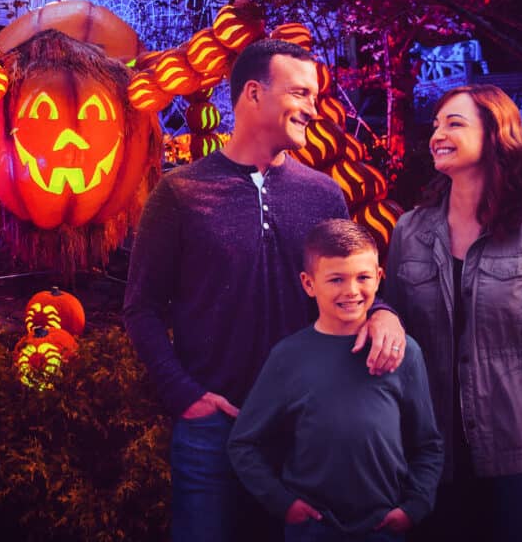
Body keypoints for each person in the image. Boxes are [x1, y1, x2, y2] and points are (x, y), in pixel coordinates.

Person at [123, 38, 407, 542]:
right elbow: (141, 308)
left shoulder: (323, 193)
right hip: (214, 430)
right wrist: (184, 394)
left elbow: (347, 286)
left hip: (307, 430)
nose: (313, 109)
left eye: (315, 97)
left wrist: (382, 311)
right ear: (253, 93)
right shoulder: (181, 193)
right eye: (300, 93)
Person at [383, 84, 522, 542]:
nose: (437, 133)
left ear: (495, 134)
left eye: (454, 123)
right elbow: (390, 327)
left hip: (517, 452)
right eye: (436, 124)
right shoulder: (410, 230)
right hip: (428, 454)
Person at [228, 219, 443, 542]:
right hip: (313, 529)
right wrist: (283, 504)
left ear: (379, 277)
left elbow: (428, 444)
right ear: (309, 283)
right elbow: (243, 443)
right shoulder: (288, 357)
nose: (352, 291)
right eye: (336, 279)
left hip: (384, 527)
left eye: (363, 277)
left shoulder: (402, 352)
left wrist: (414, 507)